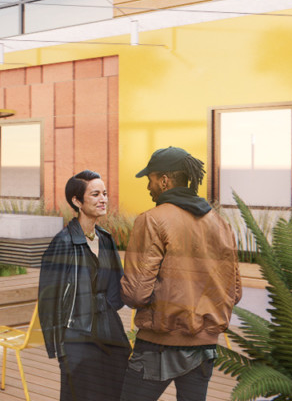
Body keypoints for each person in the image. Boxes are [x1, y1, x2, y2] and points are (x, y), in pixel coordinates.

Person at [119, 148, 240, 401]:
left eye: (150, 179)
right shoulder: (221, 223)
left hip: (159, 345)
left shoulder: (151, 220)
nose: (148, 186)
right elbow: (235, 292)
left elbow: (137, 294)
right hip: (205, 347)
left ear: (165, 180)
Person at [39, 170, 130, 400]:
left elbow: (116, 285)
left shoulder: (107, 238)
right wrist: (60, 350)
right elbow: (48, 299)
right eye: (95, 194)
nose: (103, 199)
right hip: (77, 335)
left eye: (105, 193)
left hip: (110, 332)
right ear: (77, 201)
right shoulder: (63, 242)